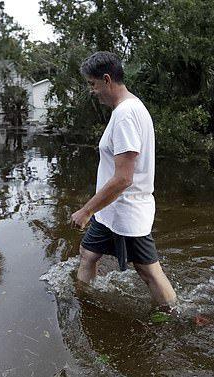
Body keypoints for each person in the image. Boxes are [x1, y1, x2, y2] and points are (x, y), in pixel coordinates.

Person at [70, 51, 177, 311]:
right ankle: (85, 303)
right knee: (88, 254)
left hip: (127, 209)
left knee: (148, 270)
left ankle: (174, 314)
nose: (92, 91)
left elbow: (123, 178)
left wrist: (86, 210)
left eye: (92, 84)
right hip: (111, 210)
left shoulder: (126, 114)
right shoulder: (125, 109)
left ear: (107, 80)